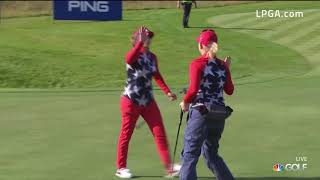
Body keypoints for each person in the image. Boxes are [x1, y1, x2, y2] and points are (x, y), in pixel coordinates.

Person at [116, 26, 180, 179]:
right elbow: (128, 59)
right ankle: (121, 168)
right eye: (145, 37)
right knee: (126, 135)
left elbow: (157, 75)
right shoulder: (133, 55)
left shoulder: (152, 57)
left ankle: (169, 167)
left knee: (160, 133)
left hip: (148, 102)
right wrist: (140, 43)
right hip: (131, 101)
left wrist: (167, 91)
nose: (148, 39)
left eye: (149, 37)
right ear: (137, 39)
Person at [179, 29, 235, 180]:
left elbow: (192, 91)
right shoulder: (223, 66)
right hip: (219, 116)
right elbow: (229, 90)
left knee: (189, 156)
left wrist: (184, 102)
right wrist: (226, 69)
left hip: (201, 114)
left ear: (202, 45)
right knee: (211, 155)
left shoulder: (197, 64)